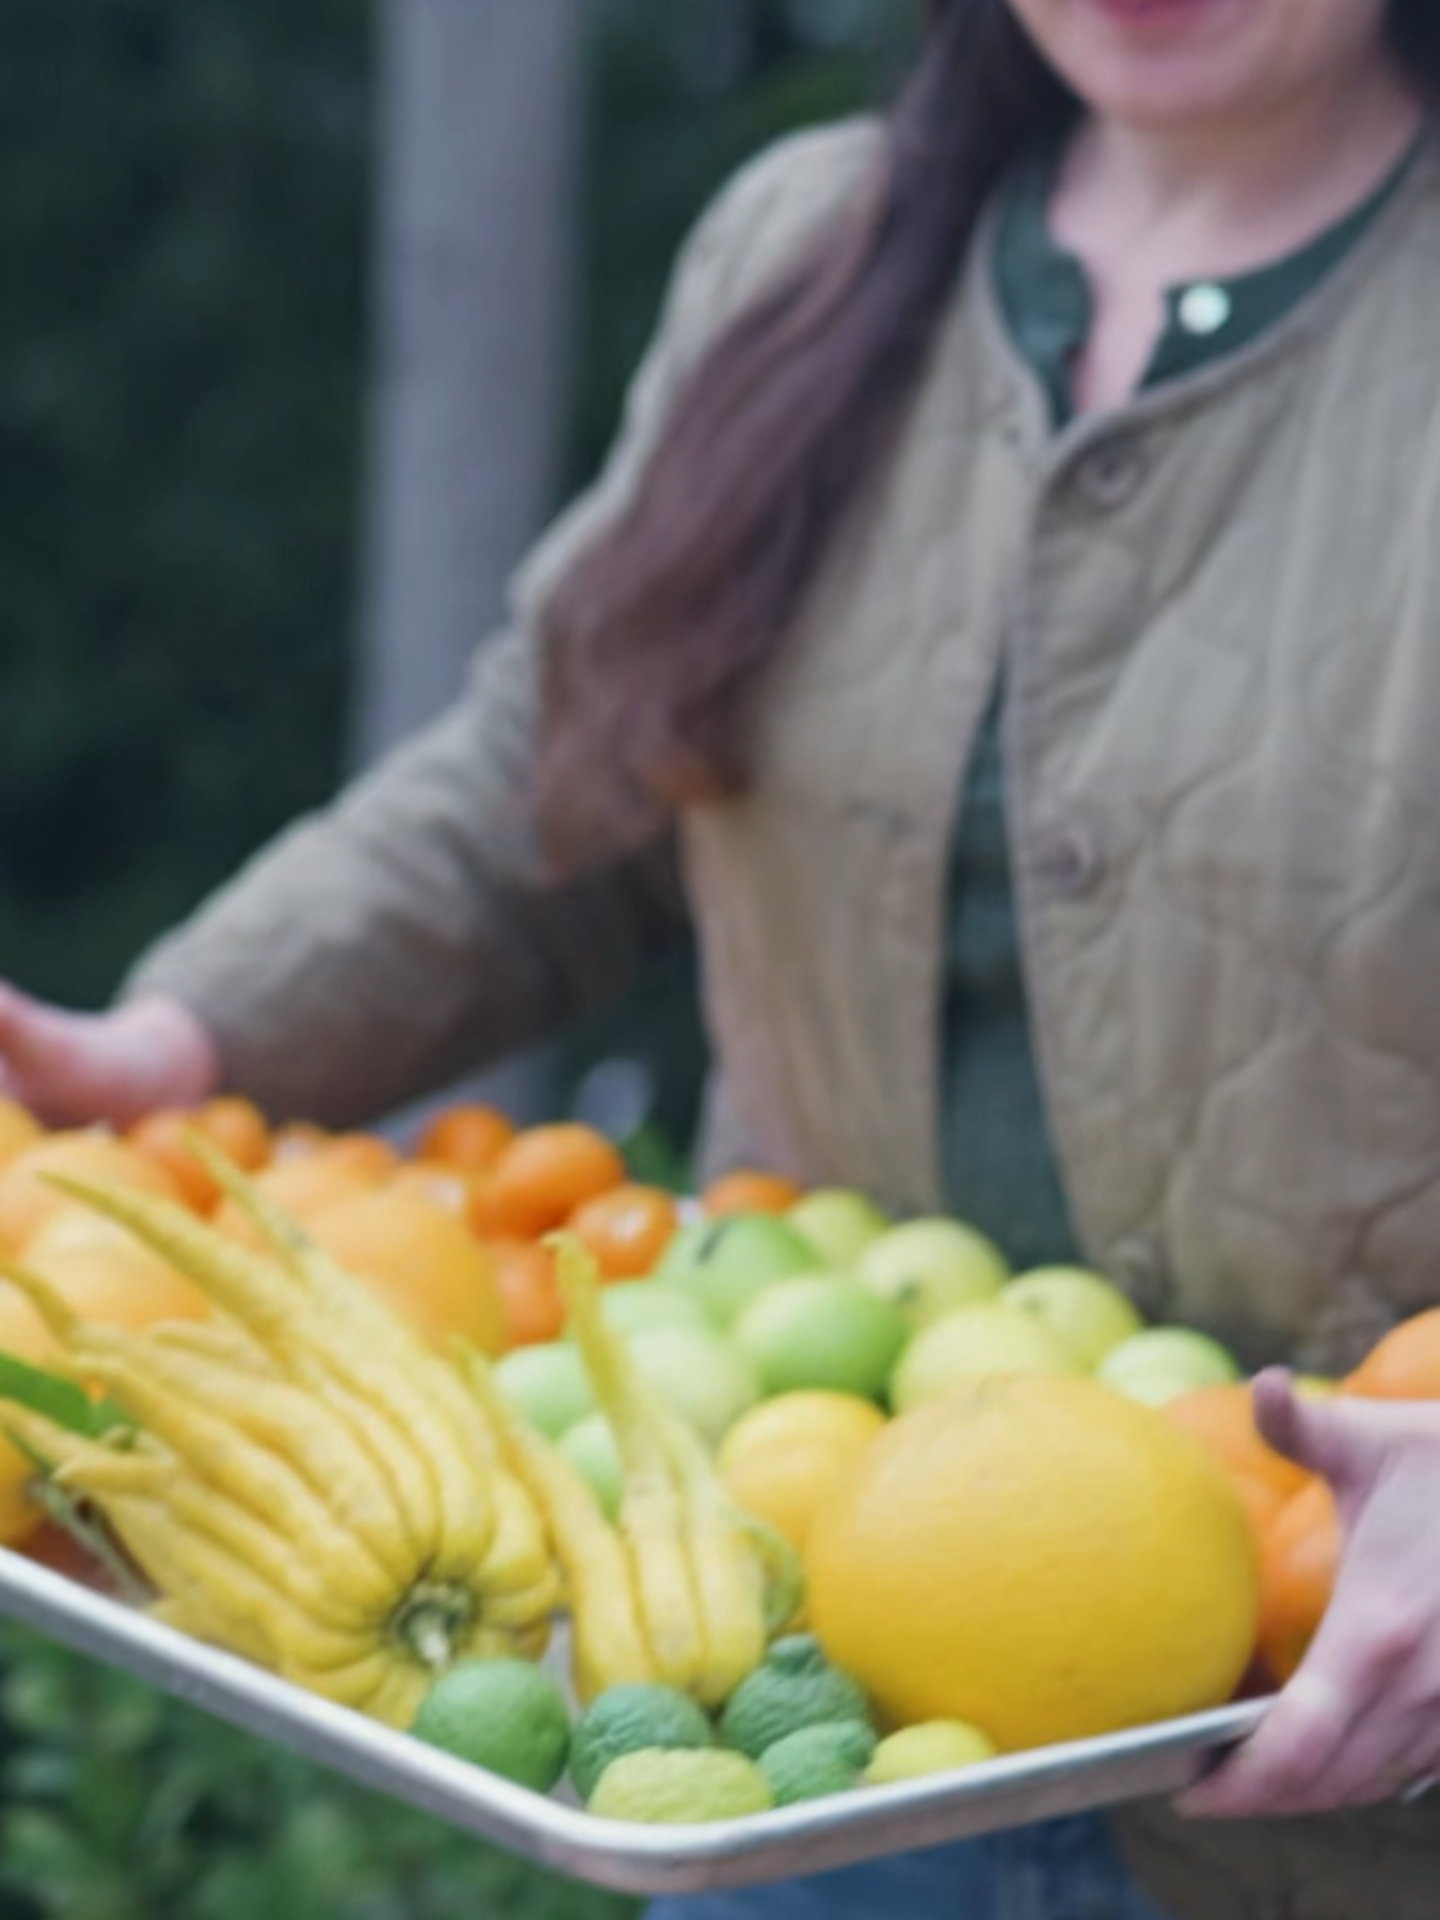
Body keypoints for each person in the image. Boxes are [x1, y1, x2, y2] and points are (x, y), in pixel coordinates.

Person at [3, 0, 1440, 1913]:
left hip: (1354, 1776)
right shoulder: (811, 245)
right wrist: (180, 1039)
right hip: (806, 1713)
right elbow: (560, 763)